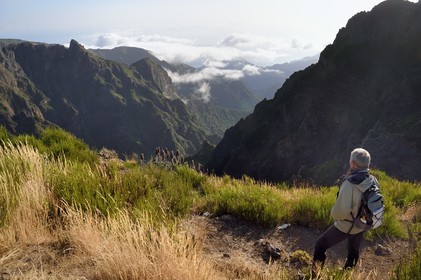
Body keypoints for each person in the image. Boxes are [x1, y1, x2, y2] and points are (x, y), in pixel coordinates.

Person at [312, 148, 380, 271]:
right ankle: (347, 273)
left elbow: (341, 212)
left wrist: (333, 213)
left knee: (320, 246)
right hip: (363, 223)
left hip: (346, 226)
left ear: (353, 163)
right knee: (353, 250)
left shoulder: (349, 184)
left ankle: (315, 276)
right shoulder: (373, 180)